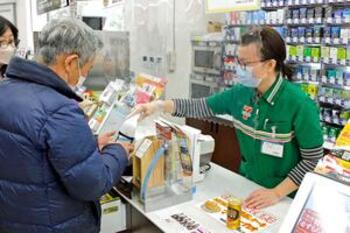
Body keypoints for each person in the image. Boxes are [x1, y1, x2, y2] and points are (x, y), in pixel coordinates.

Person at [133, 27, 324, 210]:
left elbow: (312, 160)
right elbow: (201, 106)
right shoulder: (241, 94)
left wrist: (276, 193)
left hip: (284, 199)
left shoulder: (300, 104)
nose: (239, 69)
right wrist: (158, 105)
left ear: (270, 65)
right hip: (247, 186)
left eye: (246, 64)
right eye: (238, 62)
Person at [0, 18, 132, 233]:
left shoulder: (5, 89)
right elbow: (93, 183)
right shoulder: (59, 109)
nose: (84, 76)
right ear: (71, 62)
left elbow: (32, 154)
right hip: (55, 223)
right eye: (86, 69)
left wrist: (91, 144)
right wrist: (118, 151)